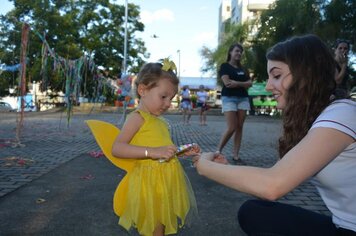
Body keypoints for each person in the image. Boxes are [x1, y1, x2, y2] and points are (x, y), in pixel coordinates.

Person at [194, 34, 356, 235]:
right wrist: (227, 170)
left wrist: (204, 167)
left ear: (306, 75)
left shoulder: (342, 114)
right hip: (342, 224)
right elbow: (276, 174)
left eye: (277, 76)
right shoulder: (314, 117)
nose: (269, 85)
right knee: (254, 212)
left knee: (255, 213)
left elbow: (273, 185)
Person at [111, 61, 198, 236]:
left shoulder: (161, 122)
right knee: (154, 227)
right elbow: (117, 148)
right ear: (143, 90)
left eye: (171, 99)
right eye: (163, 97)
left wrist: (180, 152)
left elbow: (163, 151)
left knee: (162, 224)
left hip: (167, 182)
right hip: (148, 184)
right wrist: (151, 152)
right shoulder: (137, 118)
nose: (168, 104)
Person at [216, 43, 252, 163]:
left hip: (243, 98)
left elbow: (250, 83)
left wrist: (237, 83)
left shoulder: (243, 68)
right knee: (232, 127)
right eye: (236, 51)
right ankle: (218, 151)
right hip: (229, 98)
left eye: (240, 52)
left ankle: (236, 155)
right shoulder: (225, 66)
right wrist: (242, 83)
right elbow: (227, 83)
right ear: (230, 52)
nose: (239, 53)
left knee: (239, 127)